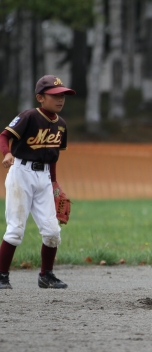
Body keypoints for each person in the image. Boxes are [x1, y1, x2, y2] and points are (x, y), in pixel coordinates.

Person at [0, 75, 76, 290]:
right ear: (40, 97)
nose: (60, 99)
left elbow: (53, 156)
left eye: (63, 96)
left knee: (52, 232)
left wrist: (55, 184)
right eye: (55, 95)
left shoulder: (61, 125)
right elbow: (4, 136)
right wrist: (7, 154)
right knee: (15, 229)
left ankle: (46, 275)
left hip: (44, 177)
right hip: (21, 173)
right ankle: (2, 275)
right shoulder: (29, 116)